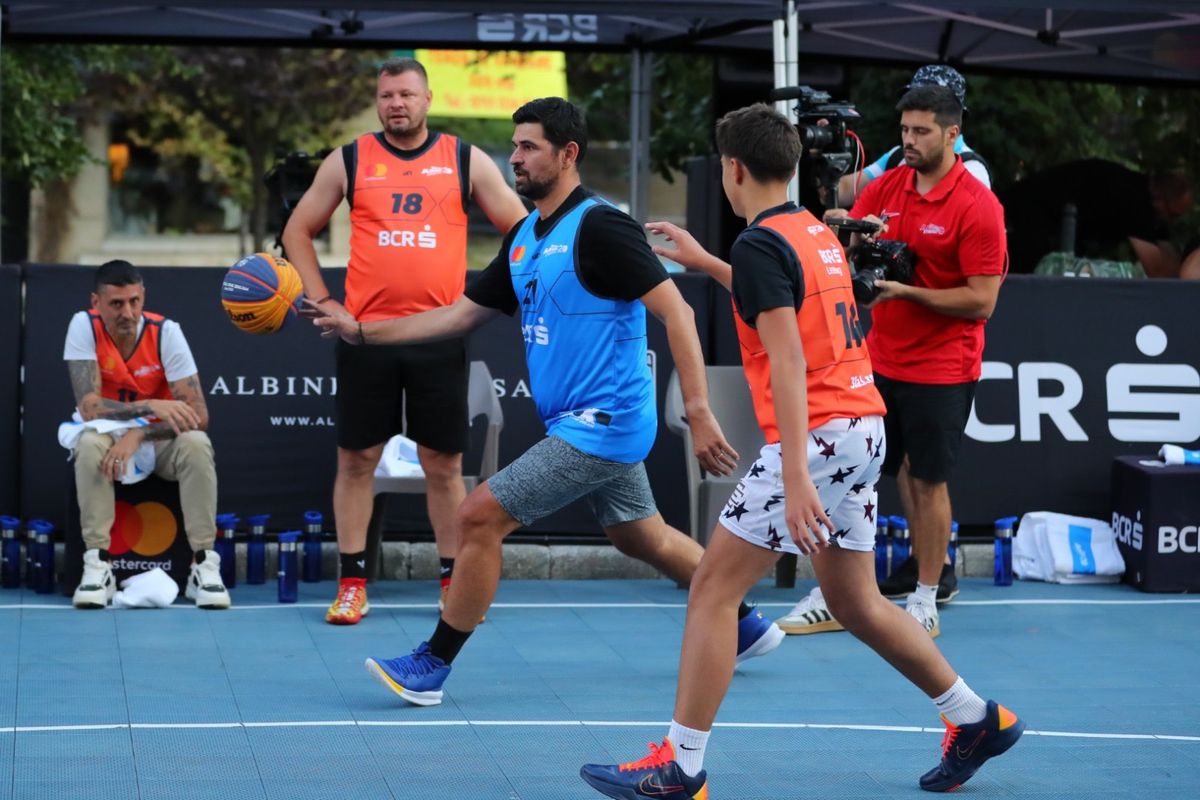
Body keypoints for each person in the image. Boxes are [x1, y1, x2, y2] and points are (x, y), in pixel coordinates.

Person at [578, 102, 1023, 800]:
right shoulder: (809, 231)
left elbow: (786, 356)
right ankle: (976, 717)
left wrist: (793, 470)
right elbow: (784, 309)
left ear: (732, 169)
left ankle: (681, 766)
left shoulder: (764, 243)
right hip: (860, 426)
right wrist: (705, 262)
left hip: (818, 436)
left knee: (712, 588)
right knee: (855, 601)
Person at [311, 96, 785, 706]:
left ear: (568, 155)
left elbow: (678, 312)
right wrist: (362, 331)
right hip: (579, 420)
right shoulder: (523, 237)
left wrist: (698, 412)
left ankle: (432, 663)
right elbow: (460, 314)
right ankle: (742, 622)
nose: (515, 158)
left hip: (604, 422)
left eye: (529, 147)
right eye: (513, 146)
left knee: (478, 516)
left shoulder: (601, 226)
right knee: (642, 536)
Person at [281, 57, 528, 625]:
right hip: (365, 335)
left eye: (408, 94)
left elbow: (523, 229)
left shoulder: (463, 157)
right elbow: (297, 227)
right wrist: (324, 301)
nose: (397, 103)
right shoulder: (350, 158)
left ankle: (452, 583)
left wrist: (487, 294)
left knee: (442, 464)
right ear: (378, 102)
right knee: (356, 459)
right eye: (388, 95)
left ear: (427, 99)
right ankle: (351, 583)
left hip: (437, 334)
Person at [780, 85, 1006, 638]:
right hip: (876, 359)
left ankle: (926, 597)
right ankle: (836, 593)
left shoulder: (979, 205)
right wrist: (844, 237)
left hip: (942, 368)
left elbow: (982, 300)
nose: (908, 141)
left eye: (922, 132)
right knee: (854, 476)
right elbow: (848, 254)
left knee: (927, 482)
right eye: (904, 130)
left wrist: (906, 294)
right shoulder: (888, 185)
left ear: (953, 133)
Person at [64, 260, 229, 609]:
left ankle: (204, 565)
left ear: (143, 297)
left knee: (198, 444)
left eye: (134, 301)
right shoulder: (84, 325)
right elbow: (89, 408)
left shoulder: (166, 331)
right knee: (90, 443)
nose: (128, 312)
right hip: (108, 435)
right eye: (117, 304)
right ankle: (98, 565)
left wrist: (139, 435)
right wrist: (148, 405)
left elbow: (198, 416)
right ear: (96, 303)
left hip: (159, 439)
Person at [1000, 160, 1193, 277]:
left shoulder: (1142, 196)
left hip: (1047, 215)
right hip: (1032, 212)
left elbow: (1167, 253)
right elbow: (1158, 270)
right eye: (1172, 215)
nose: (1171, 222)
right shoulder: (1135, 203)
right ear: (1160, 201)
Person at [836, 64, 991, 208]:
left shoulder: (972, 170)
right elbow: (843, 192)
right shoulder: (897, 155)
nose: (918, 105)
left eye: (931, 100)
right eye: (914, 98)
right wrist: (829, 146)